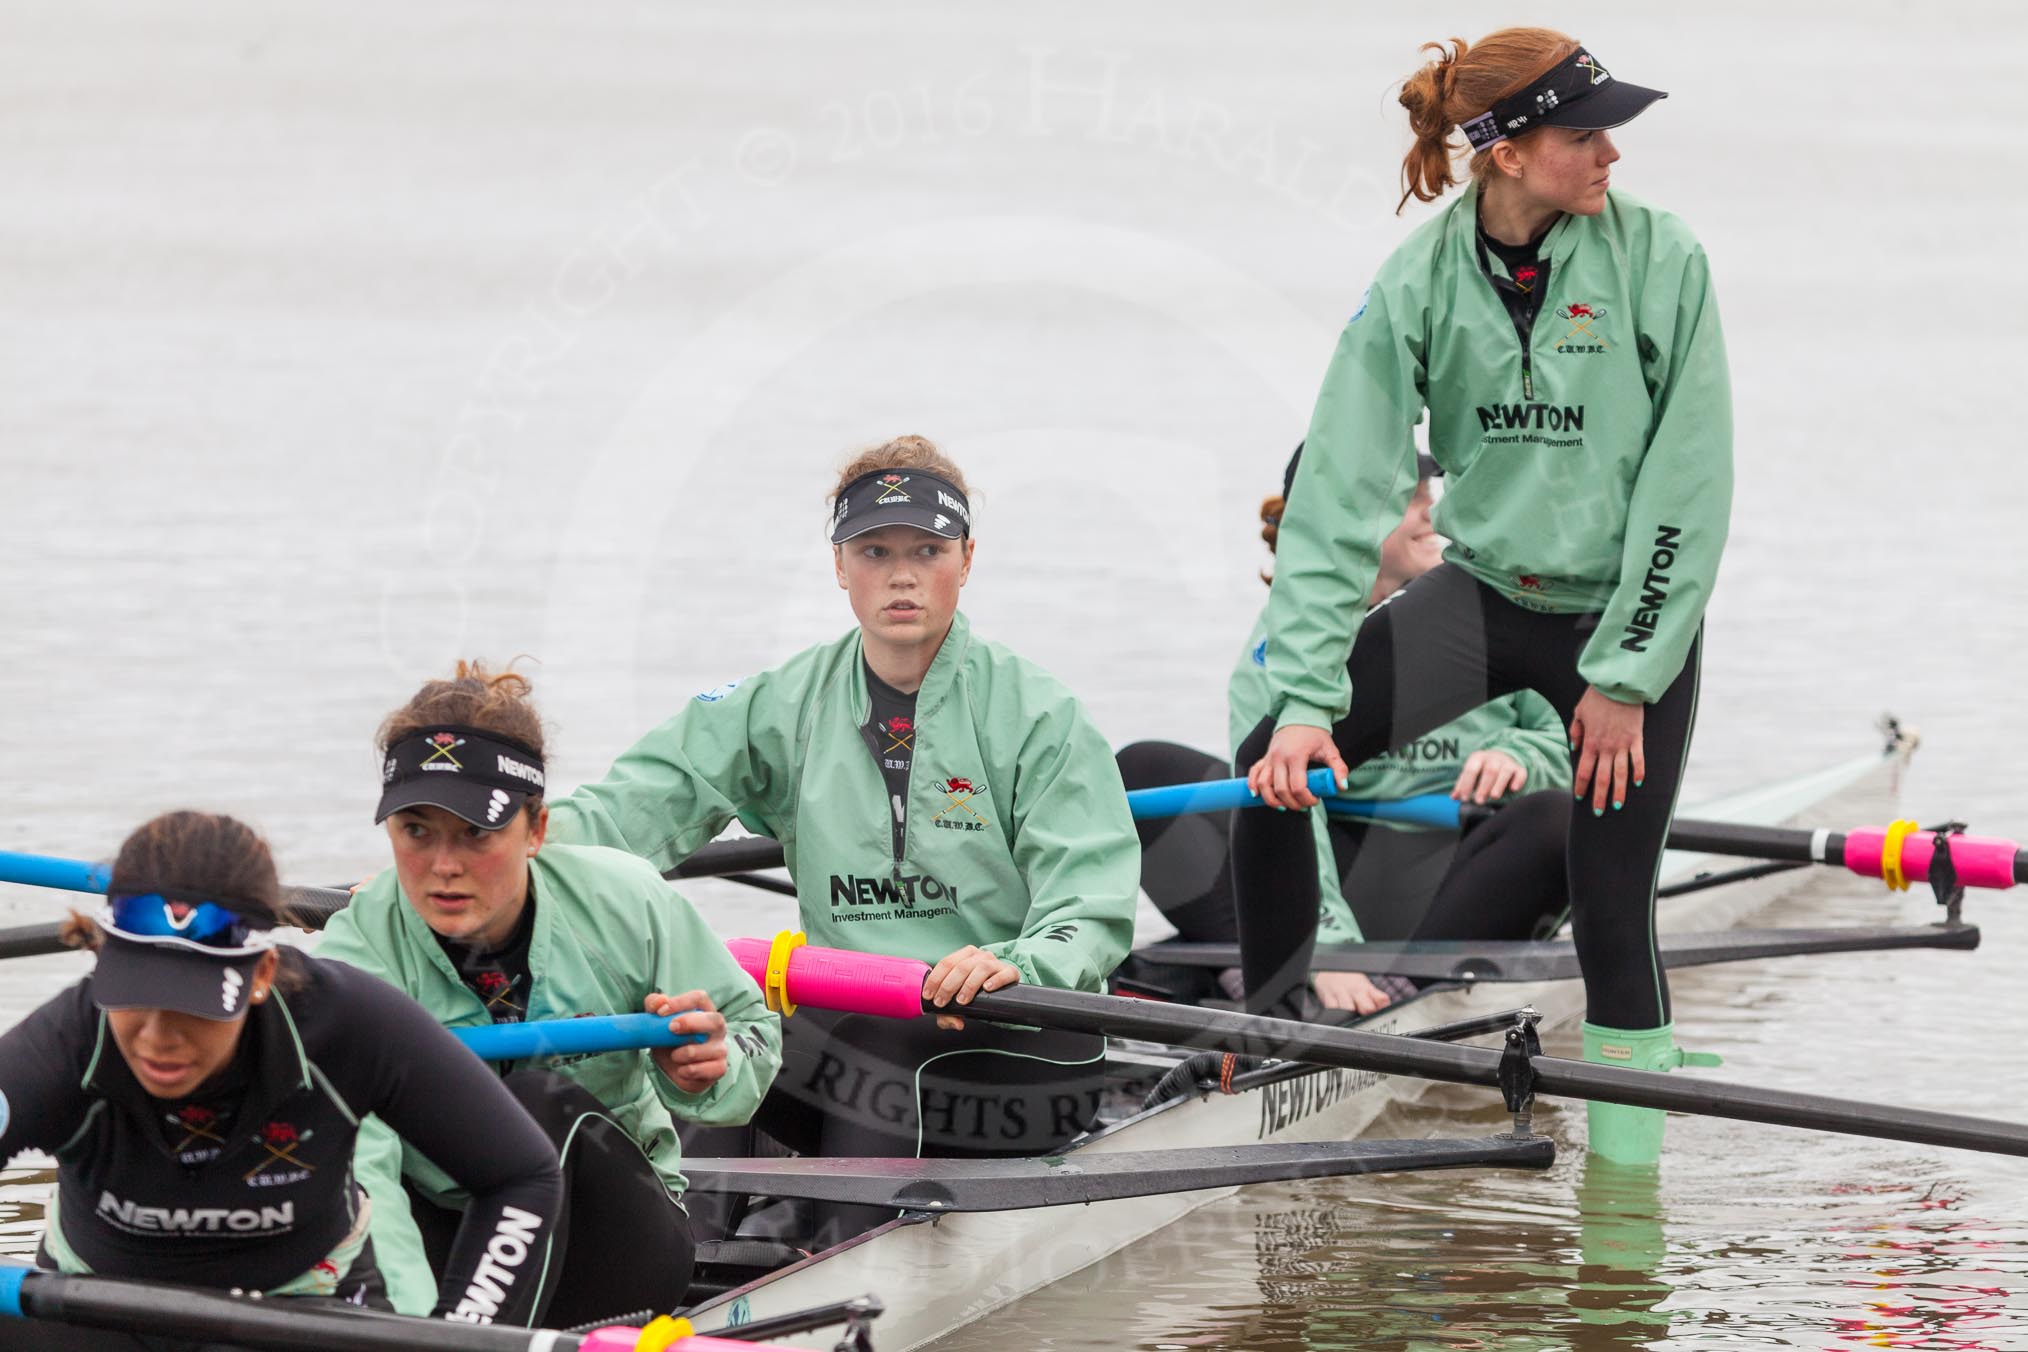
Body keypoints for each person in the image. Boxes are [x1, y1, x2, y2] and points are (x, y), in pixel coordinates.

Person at [1237, 30, 1731, 1164]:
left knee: (1613, 903)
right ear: (1504, 153)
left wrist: (1624, 674)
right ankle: (1268, 1049)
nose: (1611, 150)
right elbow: (1336, 496)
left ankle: (1624, 1182)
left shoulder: (1663, 258)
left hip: (1622, 620)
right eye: (1583, 131)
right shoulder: (1416, 280)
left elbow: (1688, 484)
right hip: (1482, 596)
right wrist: (1309, 696)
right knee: (1274, 765)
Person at [543, 435, 1140, 1242]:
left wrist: (1020, 962)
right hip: (862, 1026)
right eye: (875, 551)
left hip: (1028, 1044)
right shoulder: (782, 704)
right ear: (839, 566)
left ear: (966, 559)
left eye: (927, 550)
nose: (901, 574)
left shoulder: (1039, 714)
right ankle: (673, 1261)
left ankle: (843, 1263)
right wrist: (504, 858)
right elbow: (627, 810)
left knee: (878, 1044)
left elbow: (1093, 904)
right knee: (712, 1024)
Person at [314, 664, 782, 1326]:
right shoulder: (357, 951)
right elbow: (360, 1165)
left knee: (535, 1106)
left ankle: (466, 1337)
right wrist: (404, 1327)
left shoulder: (626, 900)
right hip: (449, 1239)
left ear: (535, 830)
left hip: (617, 1242)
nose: (444, 866)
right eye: (416, 831)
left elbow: (753, 1035)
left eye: (476, 833)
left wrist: (710, 1068)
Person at [0, 811, 564, 1348]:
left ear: (262, 972)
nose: (156, 1038)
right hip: (94, 1309)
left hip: (302, 1312)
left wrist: (460, 1336)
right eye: (133, 999)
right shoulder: (62, 1046)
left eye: (193, 1007)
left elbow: (520, 1176)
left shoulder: (348, 1024)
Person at [1120, 447, 1572, 1016]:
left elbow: (1574, 738)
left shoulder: (1490, 607)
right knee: (1141, 770)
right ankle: (1277, 973)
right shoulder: (1279, 644)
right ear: (1344, 523)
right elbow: (1281, 801)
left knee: (1562, 821)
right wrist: (1328, 944)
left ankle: (1379, 995)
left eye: (1430, 497)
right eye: (1411, 501)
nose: (1434, 515)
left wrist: (1523, 754)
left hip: (1449, 872)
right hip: (1321, 871)